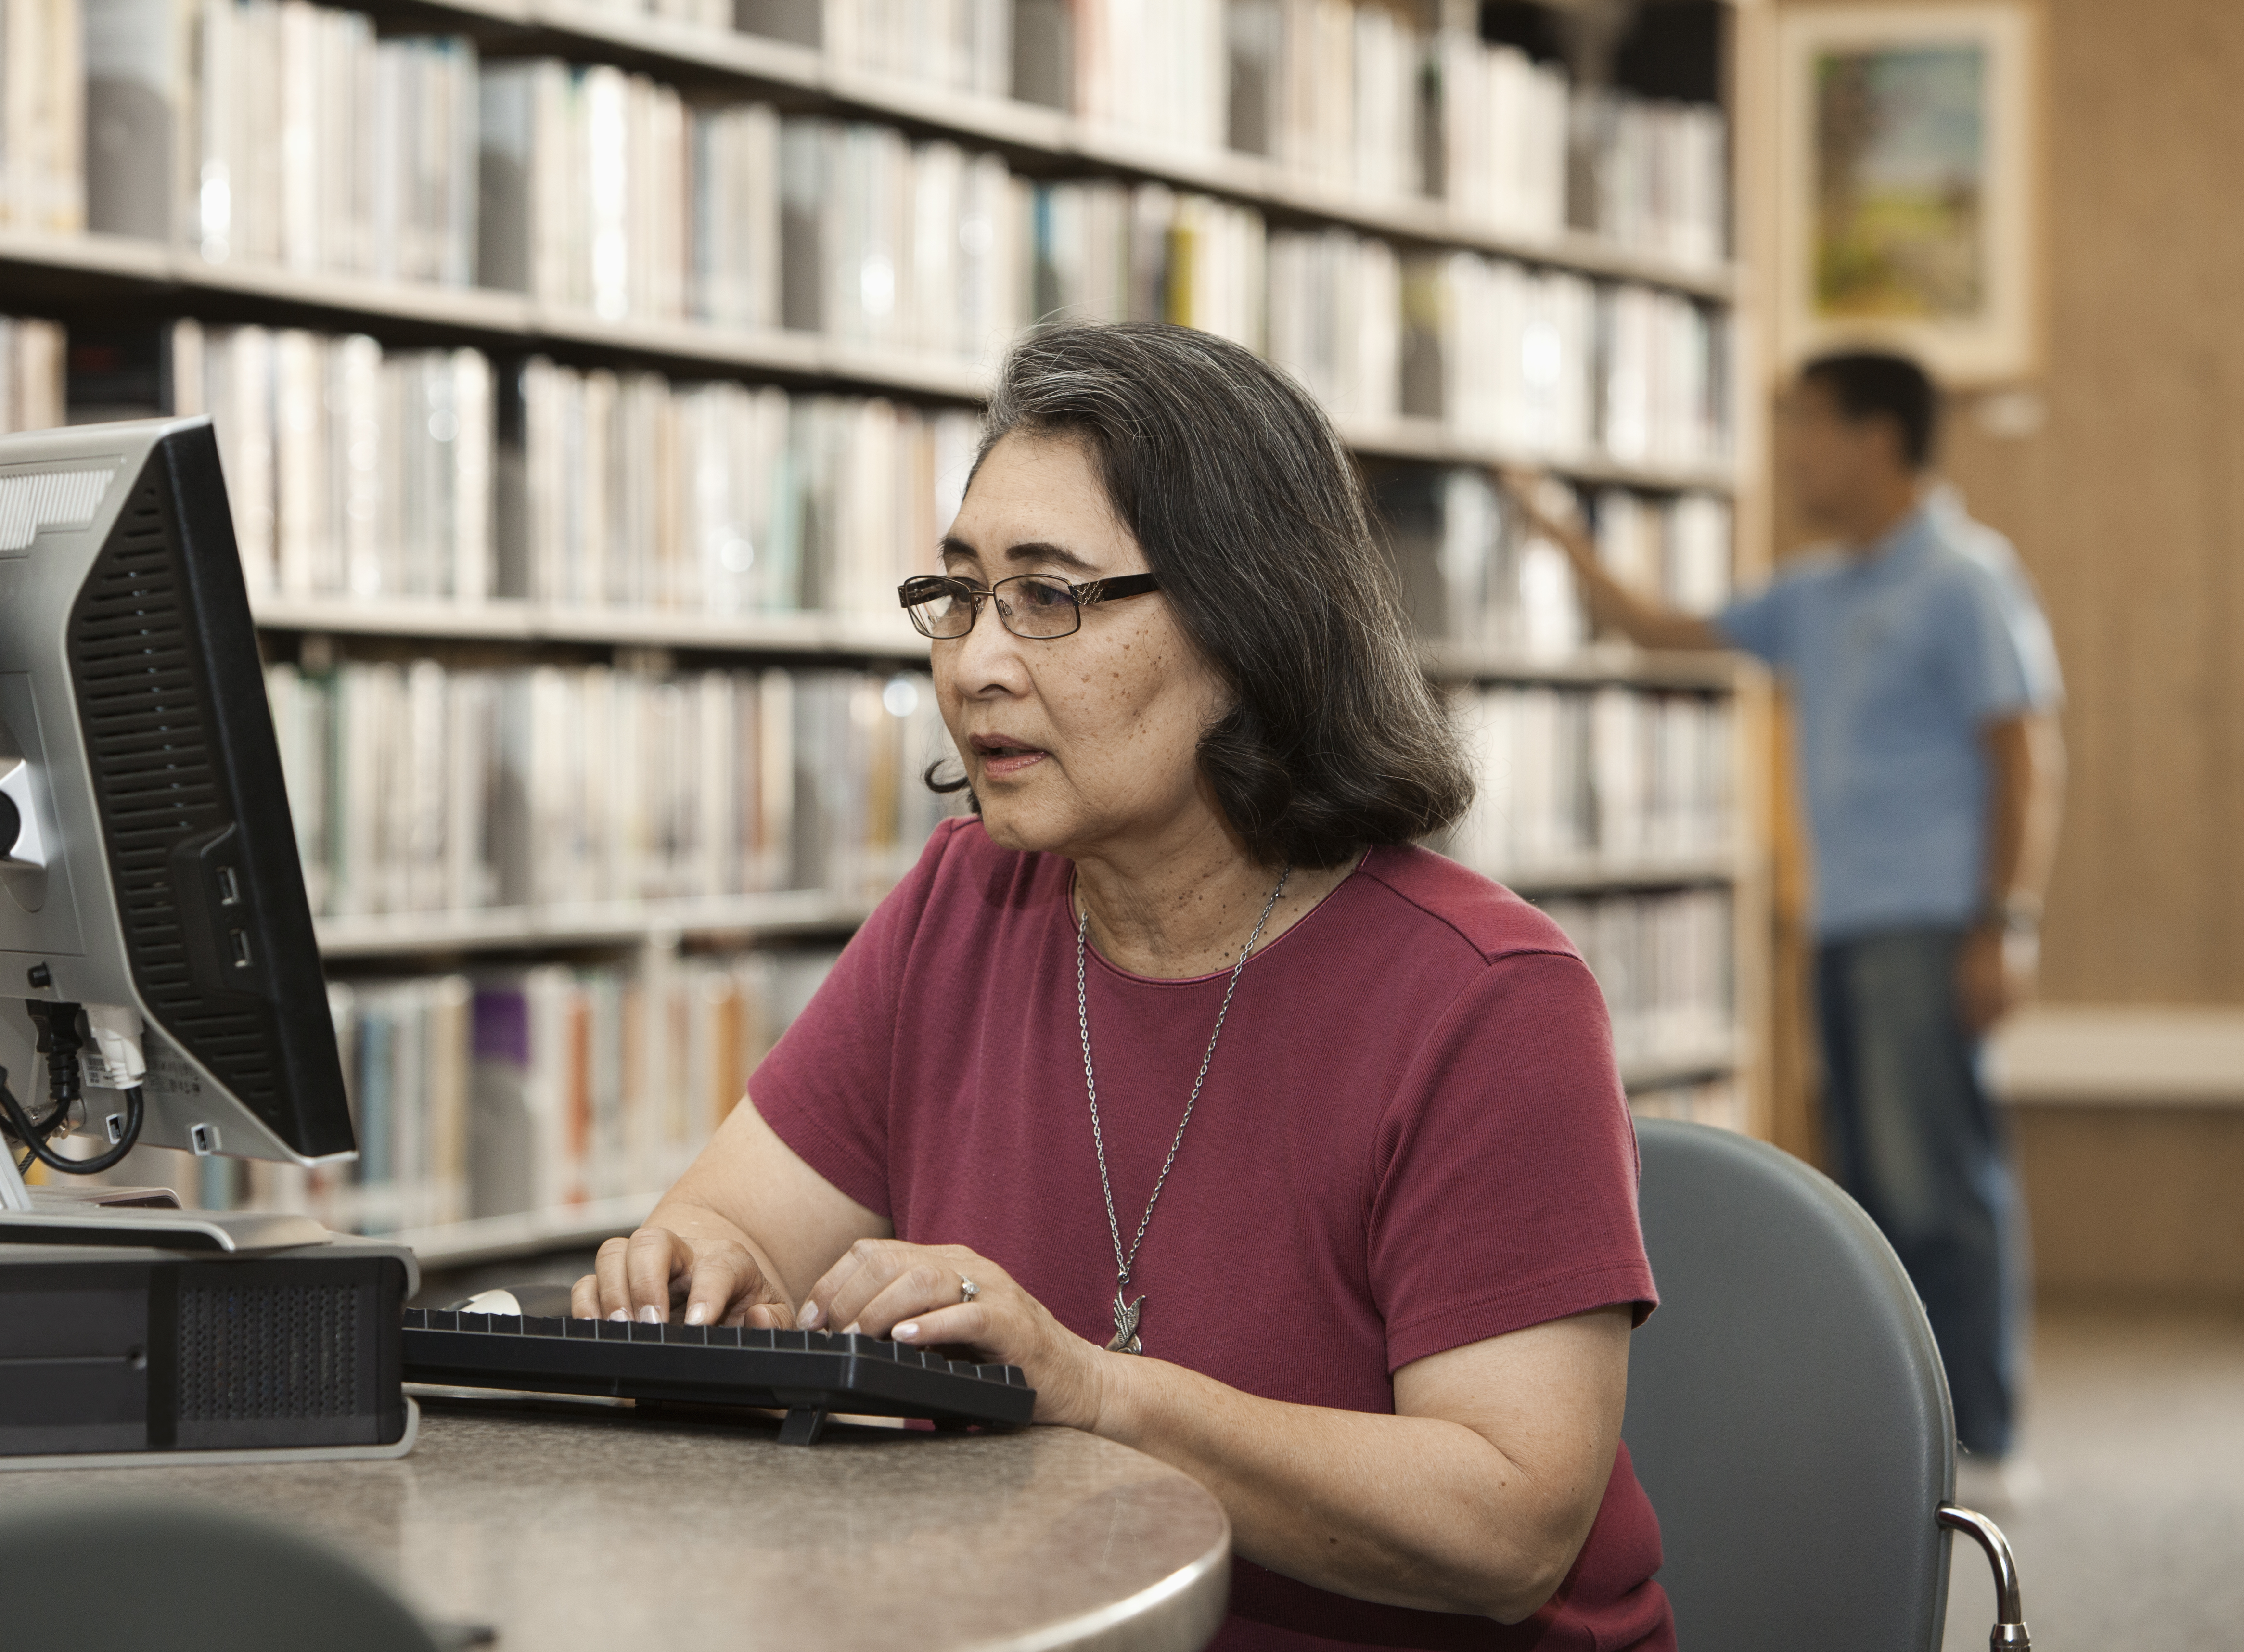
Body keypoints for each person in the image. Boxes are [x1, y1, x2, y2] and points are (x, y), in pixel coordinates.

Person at [573, 321, 1676, 1650]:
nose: (976, 659)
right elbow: (734, 1226)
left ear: (1243, 624)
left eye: (1048, 596)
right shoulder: (957, 907)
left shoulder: (1487, 998)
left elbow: (1507, 1527)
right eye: (959, 594)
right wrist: (698, 1280)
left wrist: (1094, 1391)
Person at [1504, 349, 2064, 1472]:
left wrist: (2005, 923)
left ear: (1875, 438)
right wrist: (1556, 531)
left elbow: (2025, 754)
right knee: (1874, 1189)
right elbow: (1664, 633)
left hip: (1929, 927)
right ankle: (1915, 1438)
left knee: (1941, 1189)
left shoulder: (1963, 576)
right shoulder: (1816, 589)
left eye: (1808, 425)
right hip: (1842, 929)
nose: (1791, 451)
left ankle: (1986, 1441)